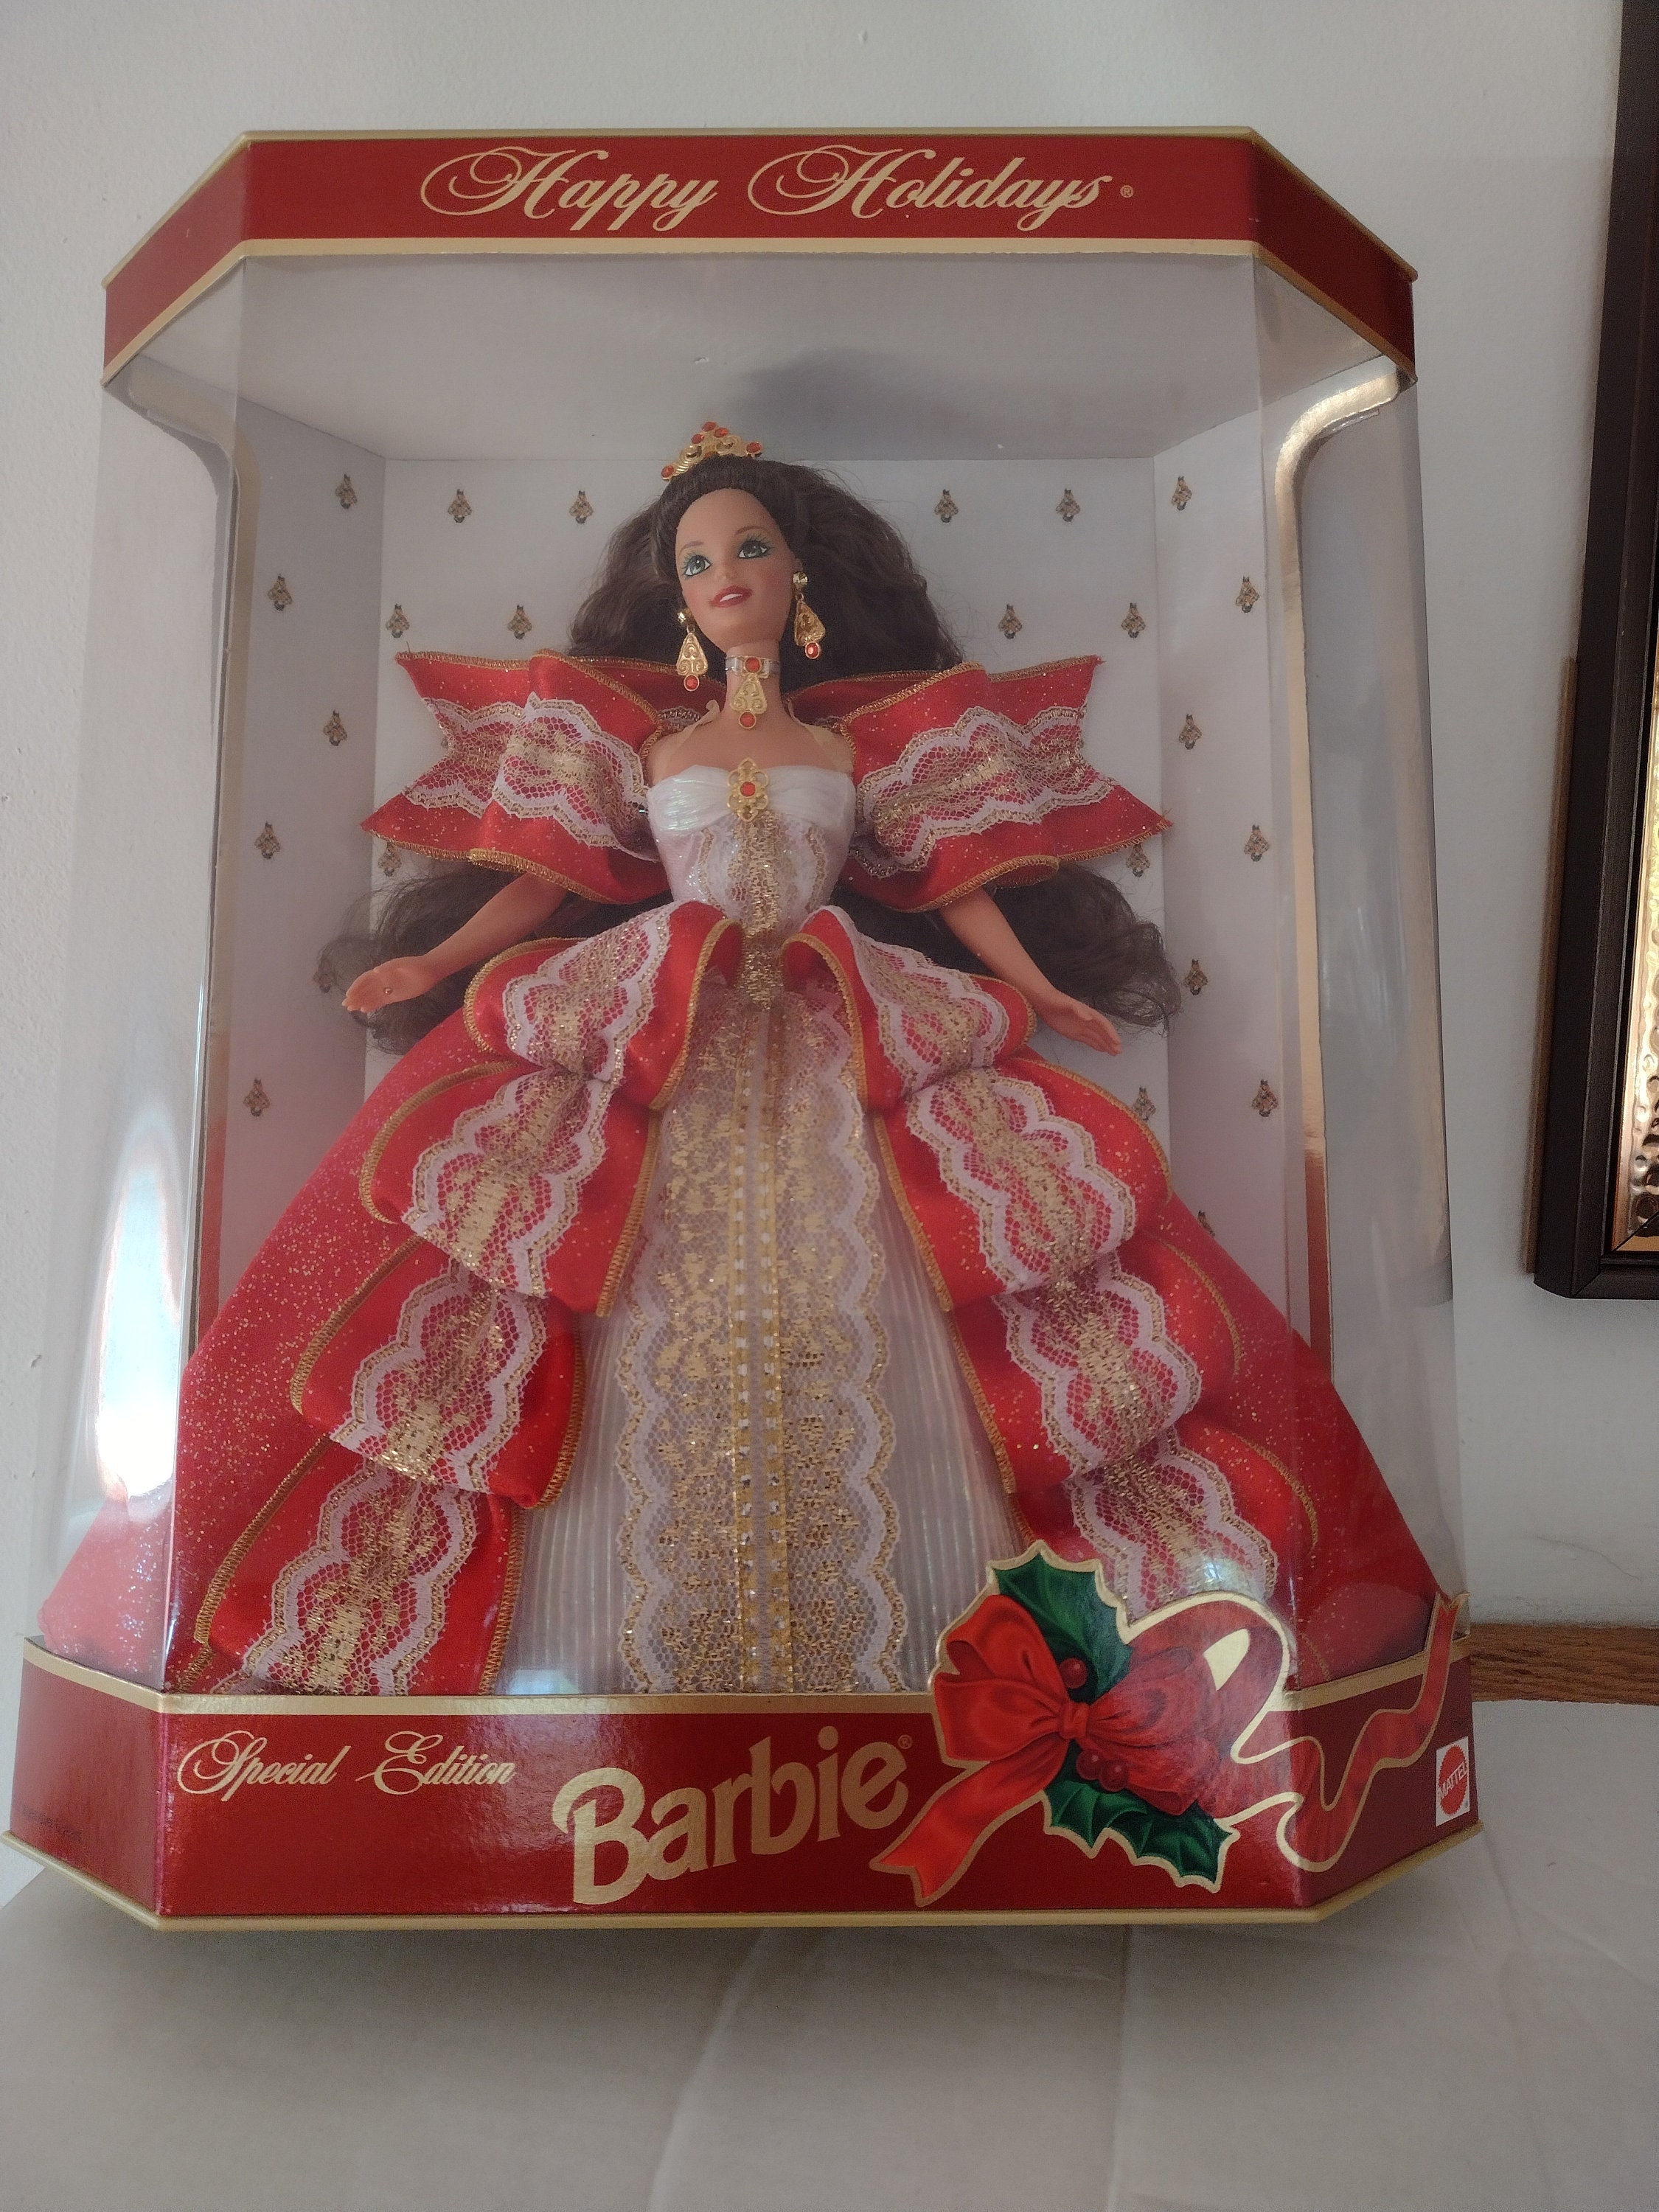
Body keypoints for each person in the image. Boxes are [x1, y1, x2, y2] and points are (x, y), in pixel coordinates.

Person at [42, 427, 1442, 1699]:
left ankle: (966, 1654)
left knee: (931, 1280)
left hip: (849, 1020)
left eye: (748, 549)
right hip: (656, 1023)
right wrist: (432, 966)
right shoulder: (645, 746)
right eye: (699, 561)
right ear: (676, 596)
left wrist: (1037, 991)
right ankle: (573, 1676)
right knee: (574, 1272)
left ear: (798, 576)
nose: (726, 578)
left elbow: (954, 889)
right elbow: (540, 885)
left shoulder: (850, 744)